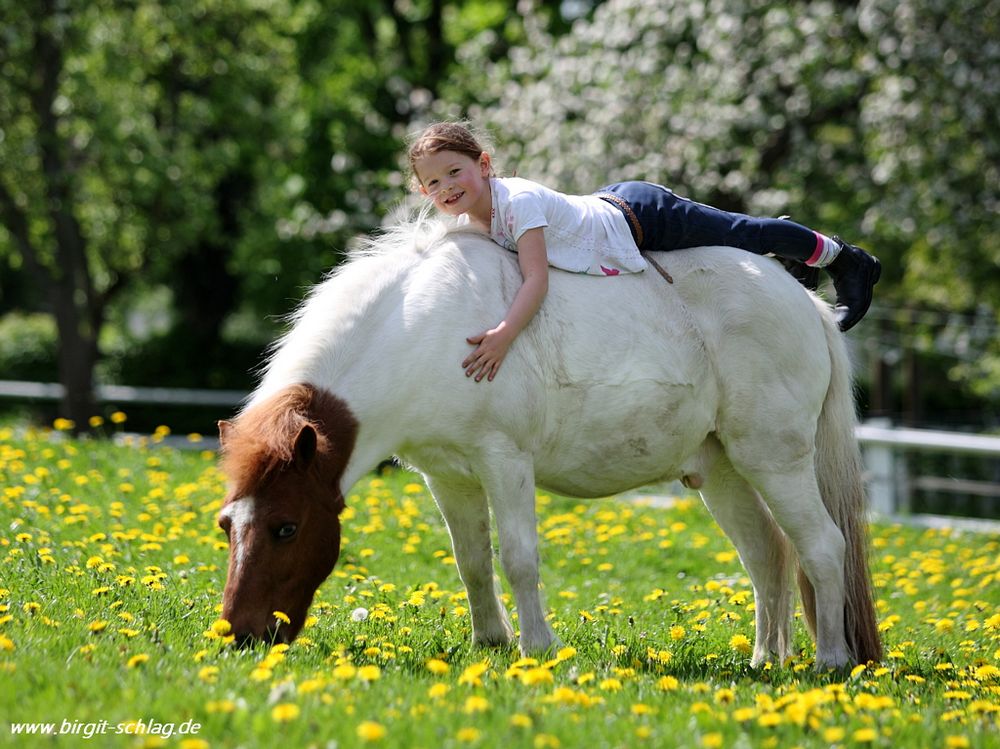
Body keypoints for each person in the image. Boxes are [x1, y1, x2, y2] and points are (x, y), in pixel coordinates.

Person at [407, 121, 881, 383]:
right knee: (747, 237)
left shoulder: (519, 204)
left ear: (484, 165)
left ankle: (843, 258)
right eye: (433, 182)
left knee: (745, 233)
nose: (446, 187)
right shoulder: (473, 223)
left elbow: (536, 279)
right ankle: (790, 247)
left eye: (454, 172)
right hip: (608, 217)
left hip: (643, 216)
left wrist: (504, 334)